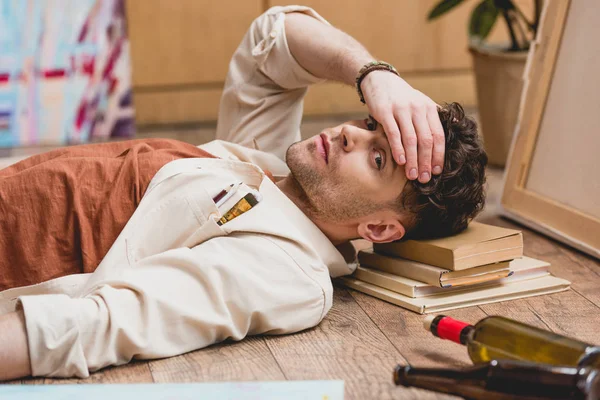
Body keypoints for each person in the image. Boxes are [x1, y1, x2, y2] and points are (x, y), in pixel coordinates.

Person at [0, 6, 487, 380]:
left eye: (377, 157)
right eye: (369, 125)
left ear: (378, 227)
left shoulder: (288, 271)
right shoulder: (272, 165)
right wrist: (376, 75)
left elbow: (102, 325)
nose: (348, 133)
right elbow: (273, 38)